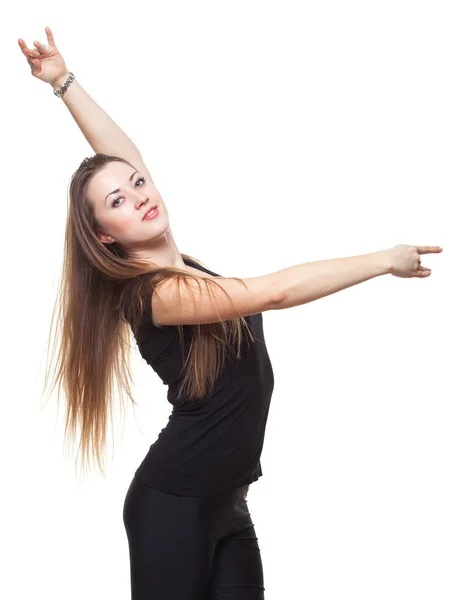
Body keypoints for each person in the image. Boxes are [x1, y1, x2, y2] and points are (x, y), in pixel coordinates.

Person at [19, 26, 443, 600]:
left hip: (229, 503)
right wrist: (381, 260)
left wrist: (63, 82)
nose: (139, 194)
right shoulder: (154, 295)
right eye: (117, 201)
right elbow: (273, 294)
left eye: (138, 184)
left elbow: (124, 157)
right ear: (105, 236)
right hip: (174, 504)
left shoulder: (188, 267)